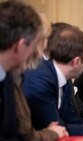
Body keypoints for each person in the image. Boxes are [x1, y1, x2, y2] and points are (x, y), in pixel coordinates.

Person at [0, 1, 67, 140]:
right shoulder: (12, 78)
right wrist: (51, 133)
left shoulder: (7, 77)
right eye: (33, 45)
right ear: (20, 46)